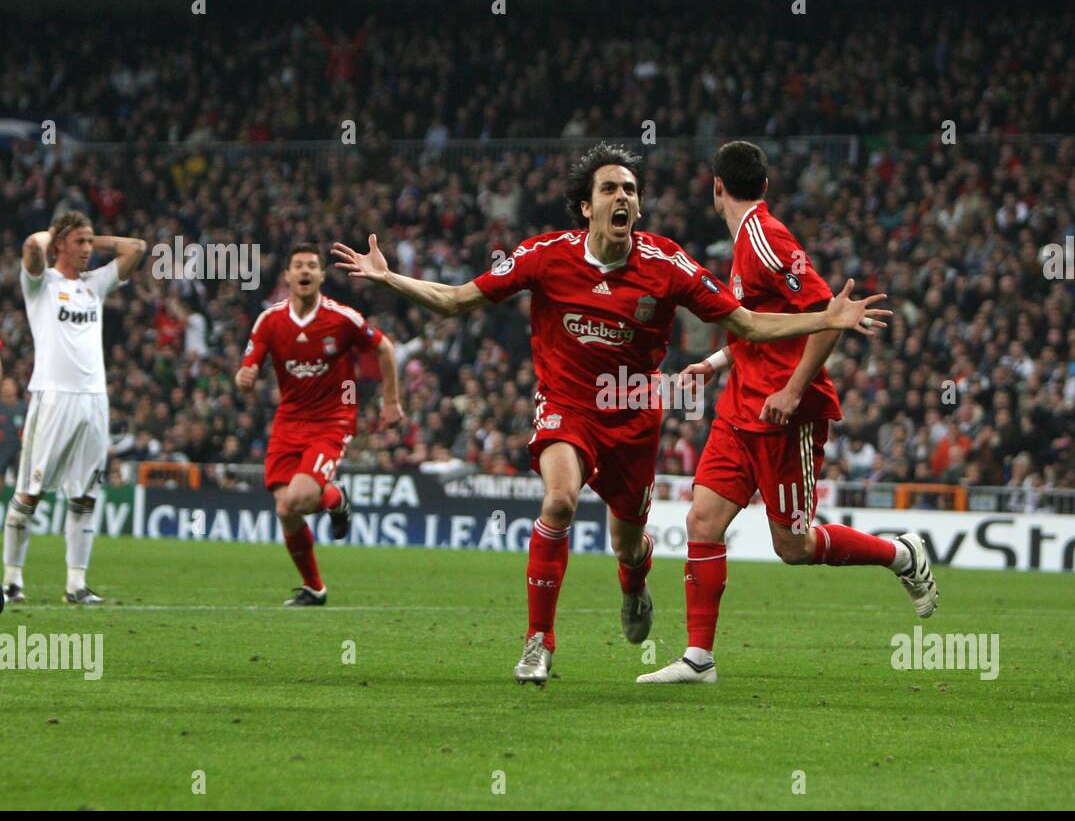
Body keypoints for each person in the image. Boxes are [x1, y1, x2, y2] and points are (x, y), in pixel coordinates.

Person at [331, 143, 890, 685]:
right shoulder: (544, 255)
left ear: (638, 205)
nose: (622, 197)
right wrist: (389, 279)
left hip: (634, 416)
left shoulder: (667, 264)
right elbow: (456, 300)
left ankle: (633, 580)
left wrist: (824, 320)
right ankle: (539, 642)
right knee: (560, 498)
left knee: (629, 542)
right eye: (609, 188)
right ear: (586, 205)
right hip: (567, 407)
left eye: (630, 189)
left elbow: (747, 324)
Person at [637, 141, 935, 684]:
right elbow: (768, 326)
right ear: (764, 185)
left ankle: (901, 554)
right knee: (702, 520)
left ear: (716, 187)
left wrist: (795, 390)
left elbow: (828, 315)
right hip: (739, 407)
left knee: (792, 546)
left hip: (782, 416)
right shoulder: (746, 243)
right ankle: (698, 658)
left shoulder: (766, 238)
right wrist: (717, 361)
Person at [236, 244, 403, 606]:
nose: (305, 271)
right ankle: (315, 587)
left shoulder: (342, 319)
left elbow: (385, 348)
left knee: (298, 498)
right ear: (287, 276)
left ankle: (332, 497)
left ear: (322, 276)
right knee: (284, 509)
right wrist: (244, 377)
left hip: (333, 418)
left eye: (312, 265)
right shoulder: (270, 321)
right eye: (298, 266)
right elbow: (247, 367)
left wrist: (390, 401)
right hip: (289, 419)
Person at [4, 211, 146, 606]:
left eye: (90, 243)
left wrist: (92, 237)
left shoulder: (94, 286)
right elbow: (32, 246)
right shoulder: (41, 285)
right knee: (29, 493)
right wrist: (58, 235)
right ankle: (12, 581)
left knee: (84, 496)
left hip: (94, 401)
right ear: (60, 244)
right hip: (52, 398)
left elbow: (137, 248)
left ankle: (76, 585)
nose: (88, 250)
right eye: (79, 243)